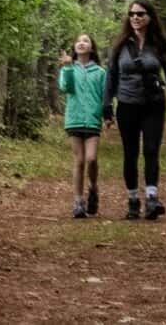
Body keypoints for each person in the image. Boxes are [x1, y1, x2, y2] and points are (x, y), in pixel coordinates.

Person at [102, 0, 166, 220]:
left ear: (150, 17)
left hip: (153, 104)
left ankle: (151, 197)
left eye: (140, 14)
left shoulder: (159, 44)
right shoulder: (120, 45)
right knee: (130, 153)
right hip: (127, 104)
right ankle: (132, 199)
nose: (136, 18)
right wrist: (107, 105)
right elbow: (111, 76)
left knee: (151, 150)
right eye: (132, 14)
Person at [58, 32, 105, 219]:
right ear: (74, 47)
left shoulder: (101, 72)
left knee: (91, 159)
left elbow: (105, 96)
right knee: (78, 161)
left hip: (93, 120)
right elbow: (65, 88)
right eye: (78, 41)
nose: (81, 43)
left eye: (86, 41)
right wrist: (68, 67)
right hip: (74, 119)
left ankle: (93, 188)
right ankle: (78, 201)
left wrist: (109, 115)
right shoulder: (68, 69)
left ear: (92, 48)